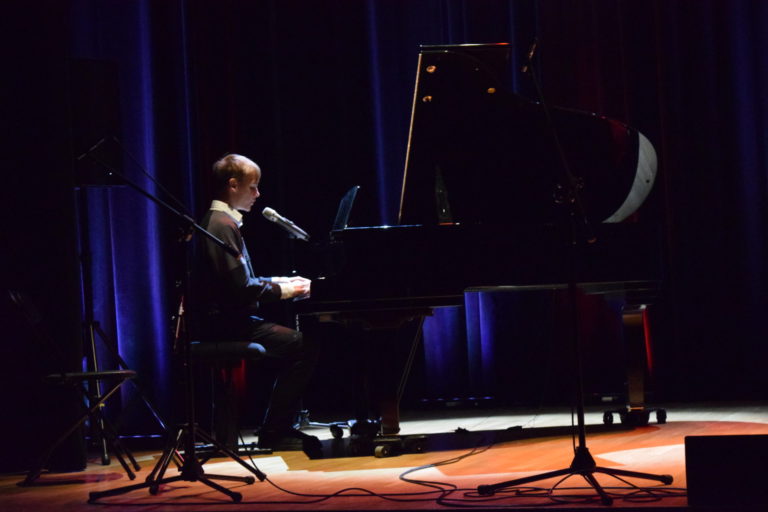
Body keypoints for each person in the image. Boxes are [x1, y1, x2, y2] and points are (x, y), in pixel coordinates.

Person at [191, 153, 320, 454]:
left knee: (299, 343)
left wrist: (283, 281)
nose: (258, 194)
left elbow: (243, 280)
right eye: (253, 187)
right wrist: (287, 291)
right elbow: (241, 289)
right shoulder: (221, 225)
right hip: (225, 324)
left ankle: (276, 427)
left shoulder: (222, 222)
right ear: (233, 185)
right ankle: (275, 431)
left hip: (230, 319)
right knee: (303, 346)